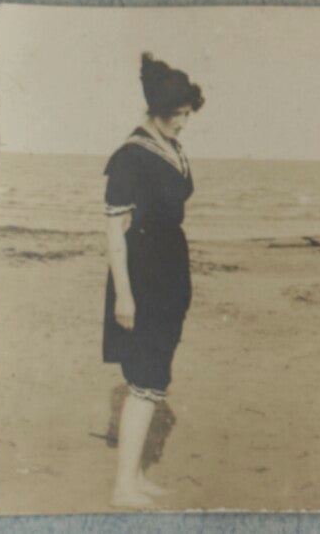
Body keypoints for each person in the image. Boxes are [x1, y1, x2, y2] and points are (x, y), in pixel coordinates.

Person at [102, 52, 204, 508]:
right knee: (143, 379)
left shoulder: (171, 147)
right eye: (178, 114)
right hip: (142, 276)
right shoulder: (130, 156)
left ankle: (137, 477)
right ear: (157, 110)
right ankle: (123, 487)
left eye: (187, 114)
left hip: (169, 270)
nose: (184, 122)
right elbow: (114, 232)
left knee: (155, 376)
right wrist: (124, 295)